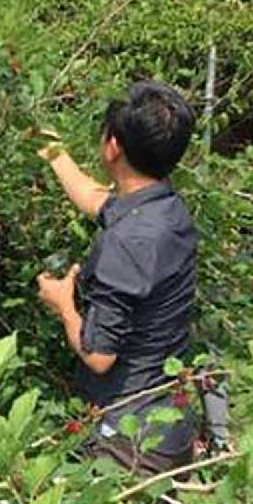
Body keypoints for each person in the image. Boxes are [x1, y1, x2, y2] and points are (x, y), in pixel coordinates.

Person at [35, 81, 206, 475]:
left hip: (129, 443)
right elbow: (98, 201)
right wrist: (55, 153)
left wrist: (62, 302)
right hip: (167, 424)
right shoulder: (166, 210)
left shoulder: (126, 242)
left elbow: (98, 356)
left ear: (112, 147)